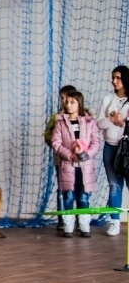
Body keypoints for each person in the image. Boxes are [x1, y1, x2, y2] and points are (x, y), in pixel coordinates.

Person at [52, 90, 101, 237]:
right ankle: (68, 227)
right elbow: (56, 143)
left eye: (72, 102)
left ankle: (84, 227)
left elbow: (96, 142)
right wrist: (69, 155)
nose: (68, 105)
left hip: (85, 167)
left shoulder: (90, 122)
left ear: (79, 103)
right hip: (68, 167)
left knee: (84, 196)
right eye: (67, 102)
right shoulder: (60, 123)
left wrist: (86, 155)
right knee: (68, 196)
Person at [96, 65, 129, 236]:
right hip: (110, 148)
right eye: (113, 77)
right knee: (115, 186)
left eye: (118, 77)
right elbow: (99, 124)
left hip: (127, 149)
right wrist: (112, 119)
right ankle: (115, 221)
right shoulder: (108, 98)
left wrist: (123, 123)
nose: (114, 81)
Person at [44, 85, 78, 231]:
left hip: (78, 162)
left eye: (67, 98)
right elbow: (47, 136)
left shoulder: (82, 117)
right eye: (62, 98)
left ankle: (77, 219)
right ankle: (62, 220)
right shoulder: (56, 117)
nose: (64, 102)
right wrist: (56, 139)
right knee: (62, 190)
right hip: (61, 161)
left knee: (77, 189)